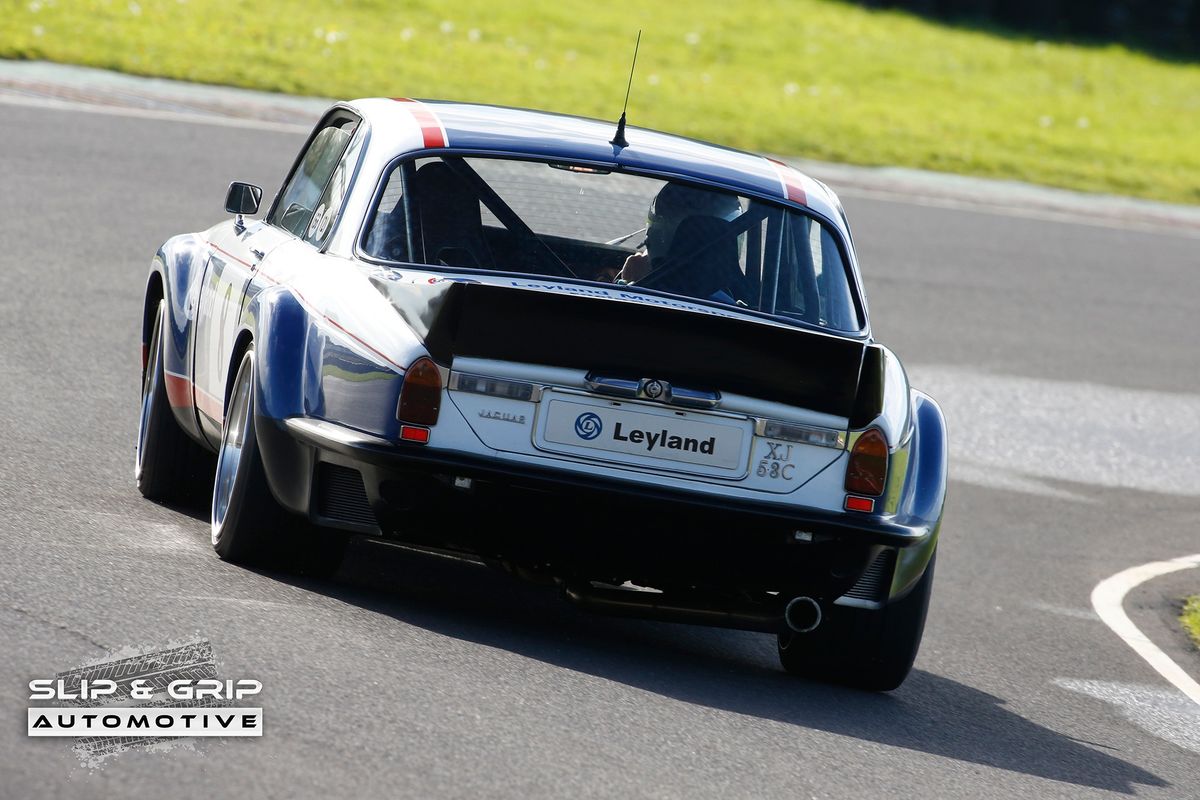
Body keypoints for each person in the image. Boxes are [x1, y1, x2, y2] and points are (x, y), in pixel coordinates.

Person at [615, 183, 743, 303]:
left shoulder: (636, 295)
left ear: (656, 235)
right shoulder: (744, 303)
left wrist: (627, 281)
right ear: (731, 243)